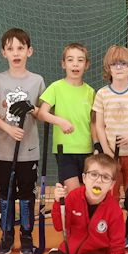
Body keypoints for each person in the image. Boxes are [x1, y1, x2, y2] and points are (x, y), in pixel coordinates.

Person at [0, 28, 71, 254]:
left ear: (29, 51)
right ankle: (6, 236)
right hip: (4, 150)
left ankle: (26, 236)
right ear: (3, 52)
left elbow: (42, 113)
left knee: (27, 194)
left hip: (29, 150)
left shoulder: (37, 80)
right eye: (10, 48)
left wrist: (31, 108)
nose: (16, 53)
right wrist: (8, 129)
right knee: (4, 194)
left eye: (20, 48)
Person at [28, 154, 125, 254]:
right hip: (68, 251)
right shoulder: (74, 197)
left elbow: (117, 244)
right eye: (94, 174)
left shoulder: (114, 210)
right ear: (84, 178)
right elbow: (59, 226)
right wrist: (58, 202)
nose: (98, 181)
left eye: (105, 177)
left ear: (112, 185)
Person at [93, 45, 128, 202]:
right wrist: (107, 150)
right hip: (111, 154)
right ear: (108, 67)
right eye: (114, 64)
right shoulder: (102, 94)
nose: (119, 67)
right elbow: (99, 126)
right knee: (111, 195)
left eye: (123, 63)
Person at [38, 42, 94, 193]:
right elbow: (42, 113)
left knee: (87, 194)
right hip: (65, 149)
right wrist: (60, 121)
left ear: (86, 65)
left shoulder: (91, 92)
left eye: (80, 60)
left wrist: (97, 147)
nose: (75, 64)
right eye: (70, 60)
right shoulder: (56, 87)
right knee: (73, 193)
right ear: (63, 64)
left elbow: (94, 123)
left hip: (87, 149)